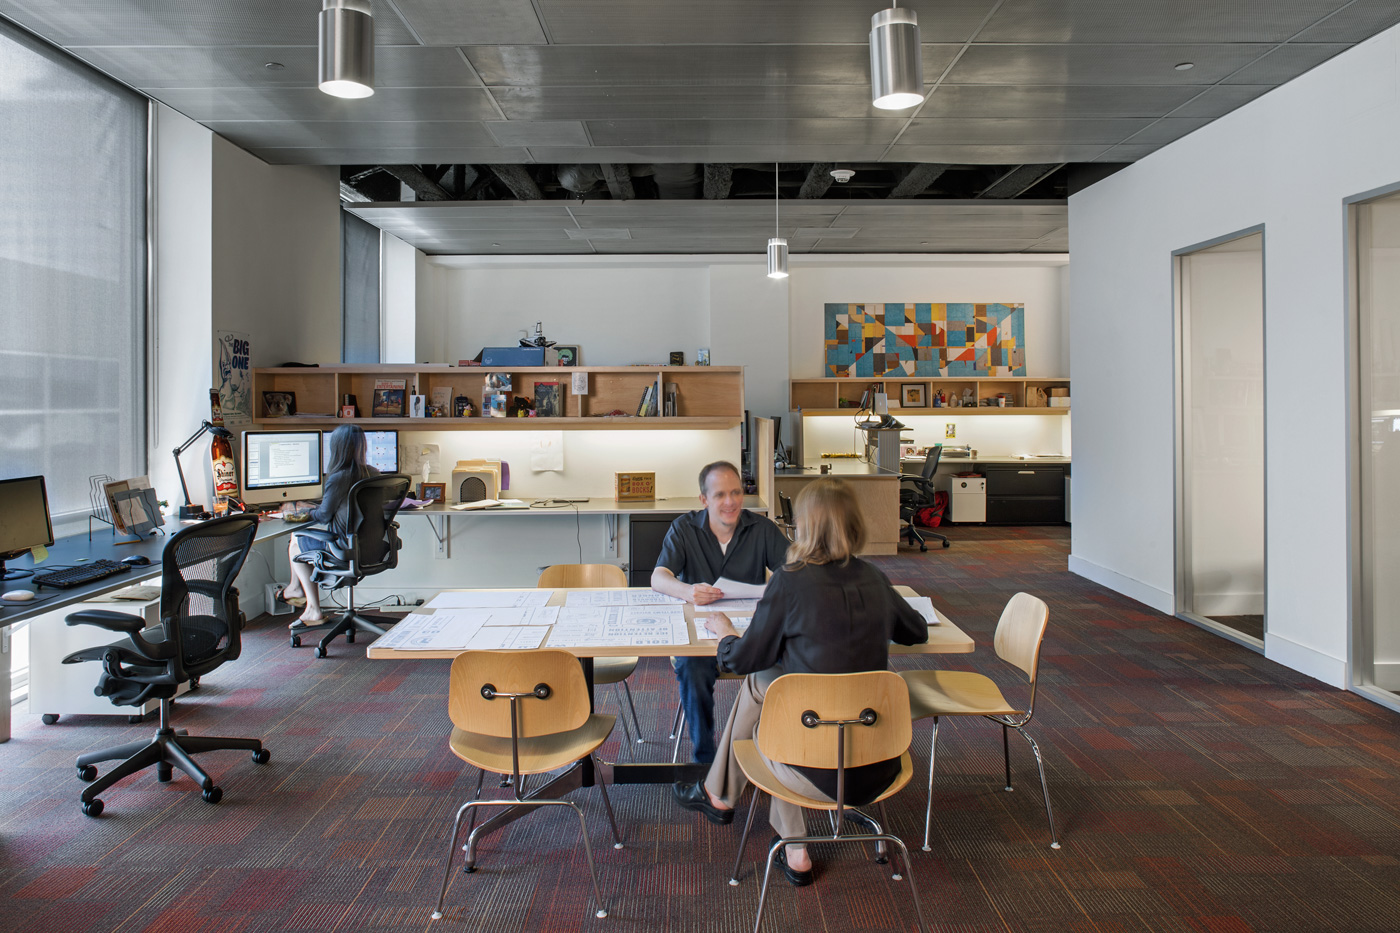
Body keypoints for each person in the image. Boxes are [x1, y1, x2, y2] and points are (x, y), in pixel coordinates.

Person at [672, 479, 928, 884]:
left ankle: (793, 848)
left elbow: (743, 659)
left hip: (812, 768)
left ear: (802, 528)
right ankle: (719, 795)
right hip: (879, 760)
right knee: (769, 686)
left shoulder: (791, 582)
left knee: (769, 706)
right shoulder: (875, 578)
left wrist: (724, 633)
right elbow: (917, 631)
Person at [651, 461, 790, 763]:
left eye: (737, 493)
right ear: (704, 500)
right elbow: (658, 577)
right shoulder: (684, 528)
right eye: (720, 495)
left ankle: (779, 751)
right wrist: (687, 591)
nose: (730, 502)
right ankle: (704, 760)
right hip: (702, 635)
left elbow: (795, 573)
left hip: (753, 633)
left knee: (795, 655)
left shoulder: (762, 528)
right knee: (692, 668)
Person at [280, 424, 377, 628]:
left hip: (342, 548)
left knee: (296, 538)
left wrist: (303, 511)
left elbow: (324, 517)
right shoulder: (373, 473)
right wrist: (317, 506)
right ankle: (297, 591)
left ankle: (310, 605)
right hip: (369, 547)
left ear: (337, 449)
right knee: (299, 538)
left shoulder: (338, 477)